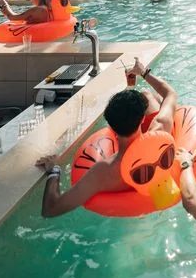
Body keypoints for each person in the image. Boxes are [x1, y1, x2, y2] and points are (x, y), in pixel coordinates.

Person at [36, 59, 177, 216]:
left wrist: (54, 170)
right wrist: (143, 72)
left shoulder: (103, 172)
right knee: (152, 97)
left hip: (127, 214)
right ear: (143, 119)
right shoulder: (161, 127)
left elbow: (50, 209)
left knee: (148, 97)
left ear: (111, 127)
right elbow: (169, 93)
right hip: (162, 193)